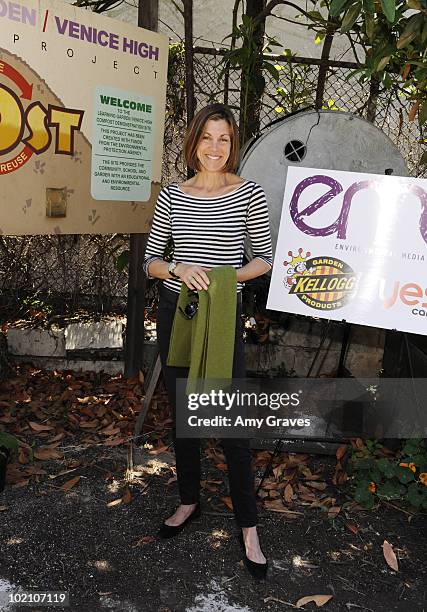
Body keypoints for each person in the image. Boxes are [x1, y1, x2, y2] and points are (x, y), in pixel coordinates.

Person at [143, 103, 273, 579]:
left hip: (221, 317)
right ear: (193, 141)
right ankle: (188, 501)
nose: (215, 148)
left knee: (232, 426)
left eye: (224, 139)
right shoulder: (173, 195)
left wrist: (224, 278)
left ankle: (249, 530)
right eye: (206, 138)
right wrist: (178, 267)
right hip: (177, 313)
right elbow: (152, 263)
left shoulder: (248, 193)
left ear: (232, 144)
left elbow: (263, 260)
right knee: (184, 417)